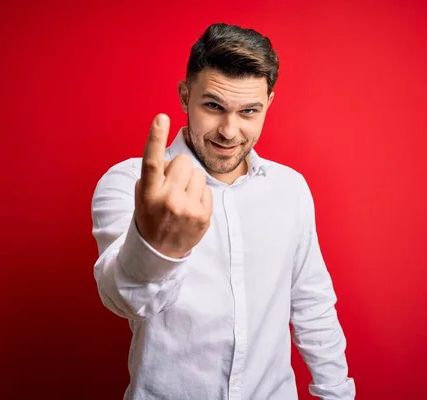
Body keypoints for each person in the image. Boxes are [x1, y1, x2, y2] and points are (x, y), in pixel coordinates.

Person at [91, 22, 356, 400]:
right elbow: (126, 301)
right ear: (185, 96)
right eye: (213, 106)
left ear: (269, 104)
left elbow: (312, 303)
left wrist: (337, 394)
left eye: (249, 111)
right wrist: (158, 247)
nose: (230, 131)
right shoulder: (129, 182)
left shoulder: (290, 188)